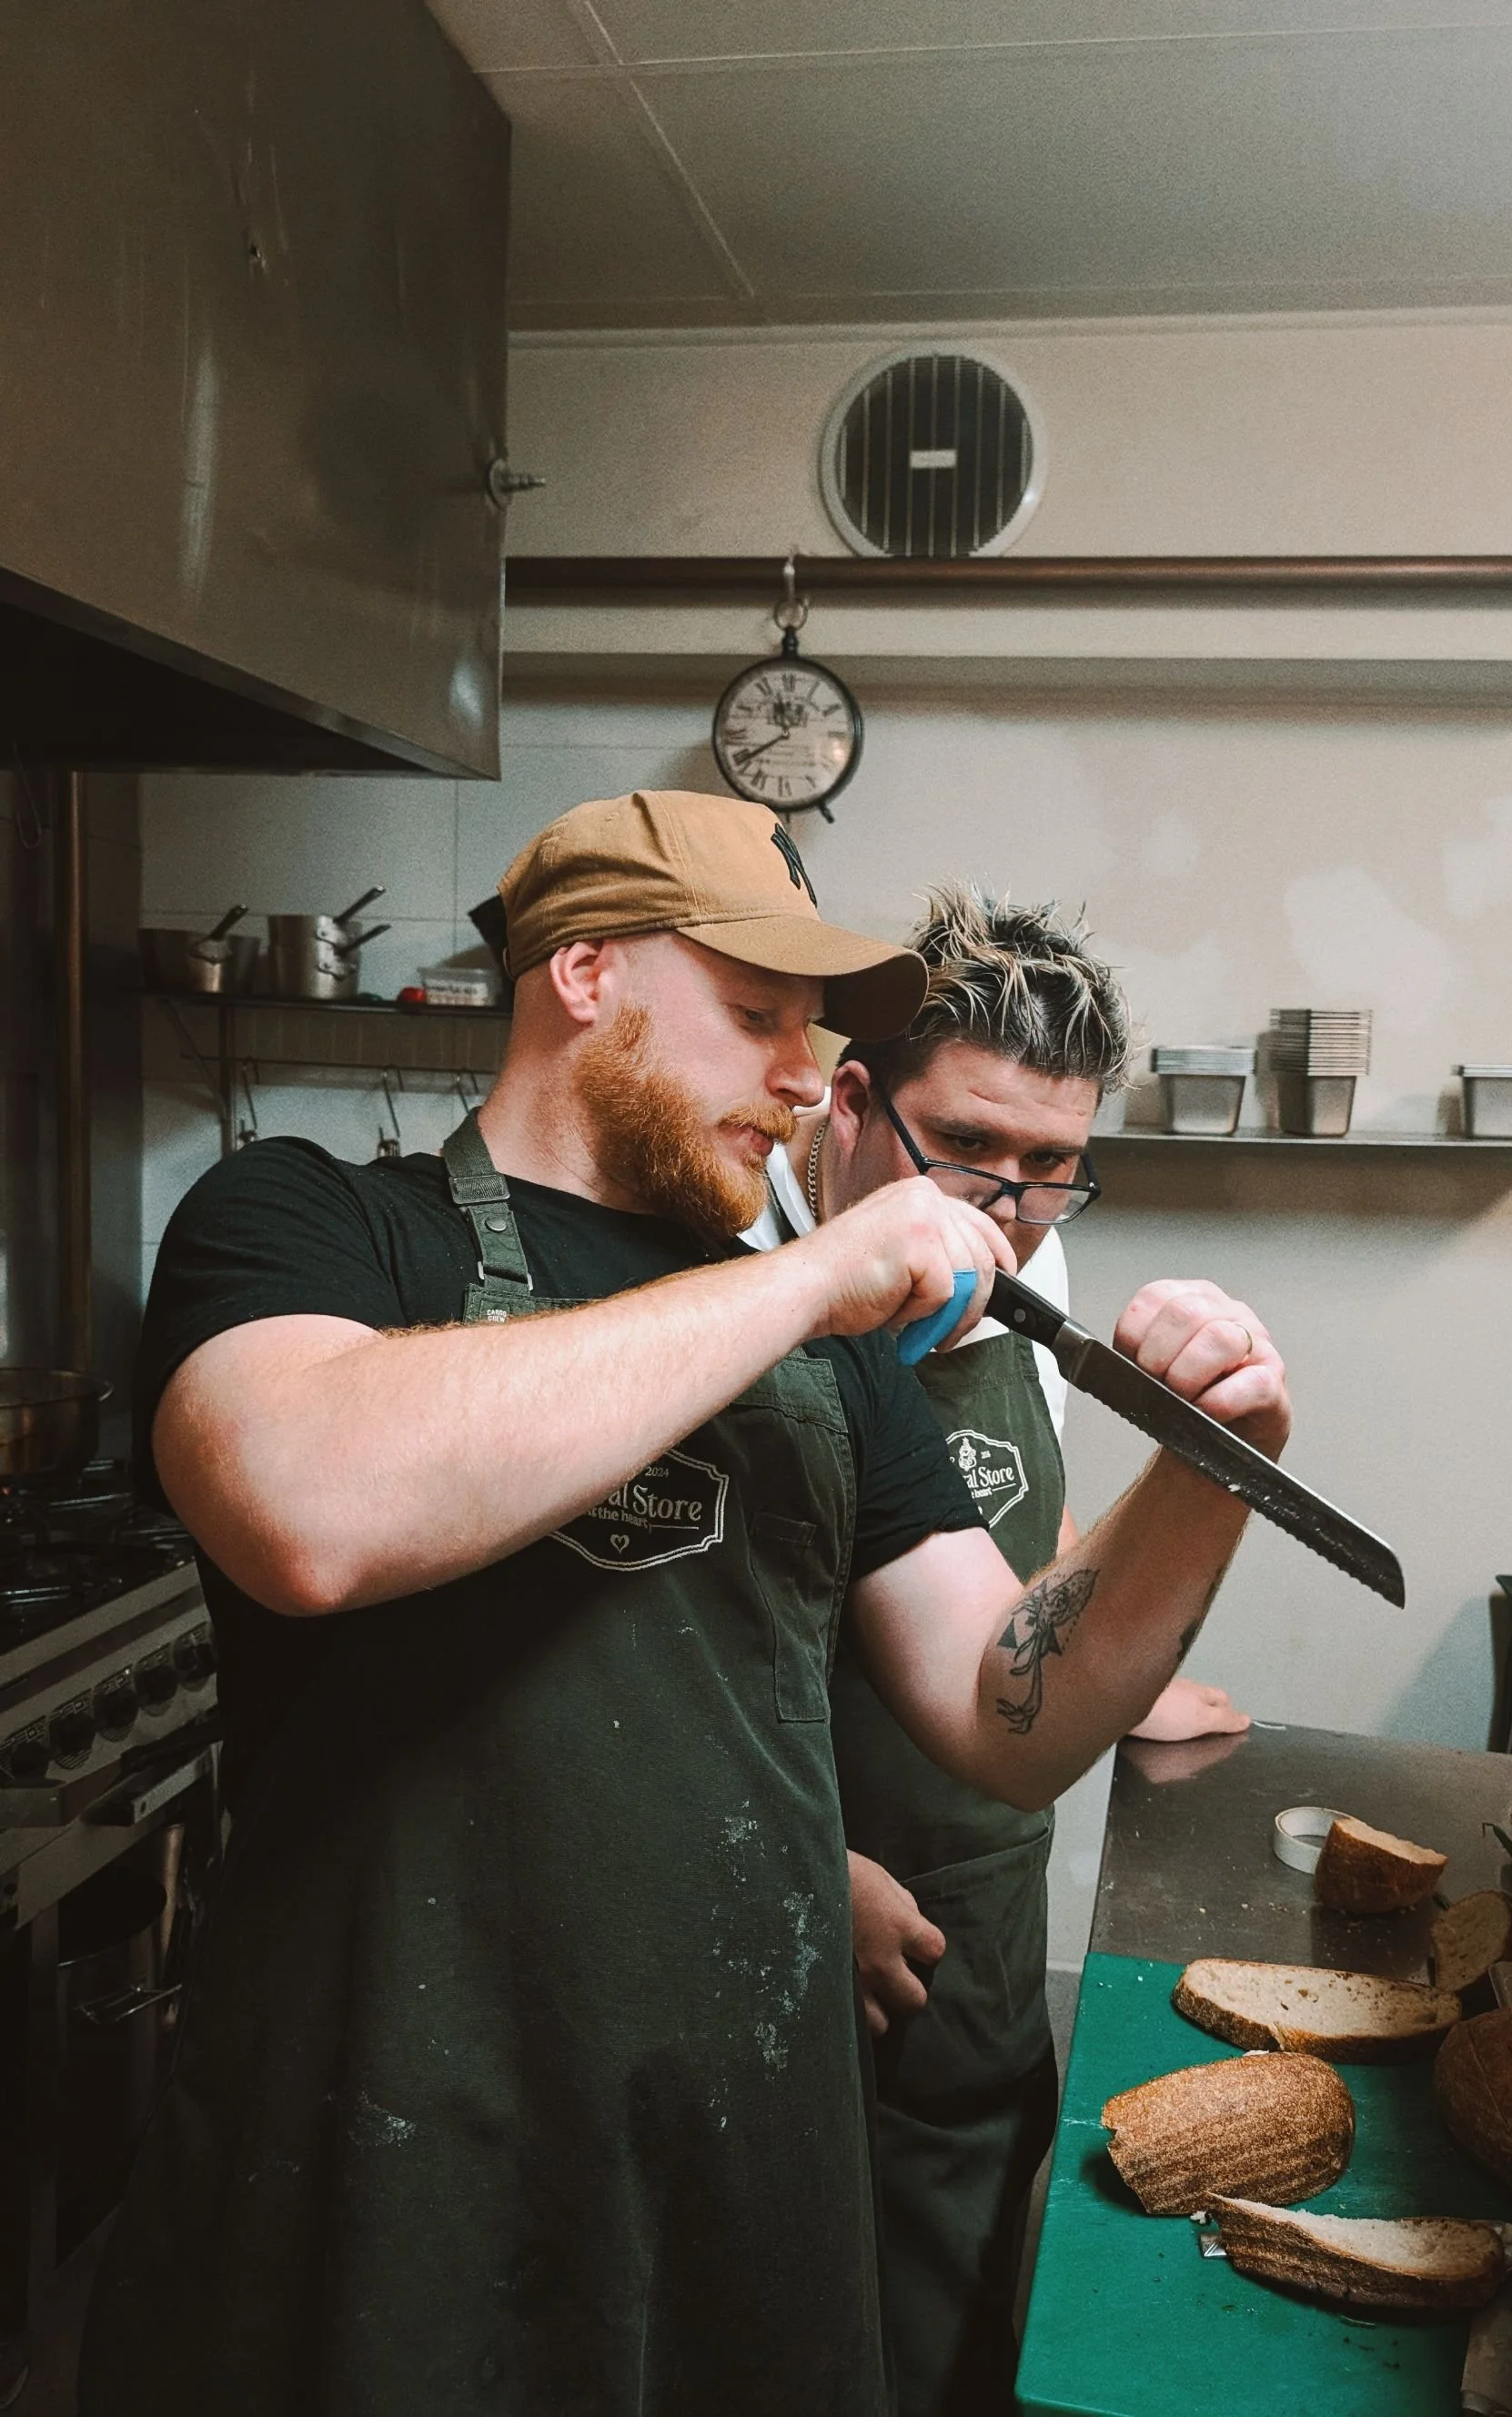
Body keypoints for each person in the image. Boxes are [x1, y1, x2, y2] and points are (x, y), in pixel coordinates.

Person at [81, 792, 1290, 2417]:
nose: (804, 1076)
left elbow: (1012, 1713)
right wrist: (801, 1278)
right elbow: (310, 1509)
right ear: (583, 974)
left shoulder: (837, 1363)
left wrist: (1202, 1473)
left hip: (737, 2174)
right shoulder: (311, 1220)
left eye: (812, 1029)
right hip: (387, 2162)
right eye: (755, 1015)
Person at [745, 887, 1246, 2416]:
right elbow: (616, 1648)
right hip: (790, 1918)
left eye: (1050, 1167)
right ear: (847, 1107)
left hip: (981, 1895)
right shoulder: (723, 1278)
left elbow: (1022, 1511)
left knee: (958, 2320)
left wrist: (1116, 1653)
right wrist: (796, 1862)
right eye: (967, 1148)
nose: (1006, 1205)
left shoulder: (1034, 1267)